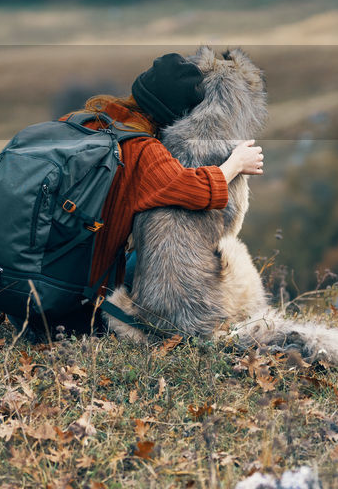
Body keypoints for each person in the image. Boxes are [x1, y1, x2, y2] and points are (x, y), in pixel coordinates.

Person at [53, 52, 265, 335]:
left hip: (32, 280)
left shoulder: (85, 120)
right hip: (70, 301)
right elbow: (195, 189)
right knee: (142, 261)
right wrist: (236, 163)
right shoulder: (143, 151)